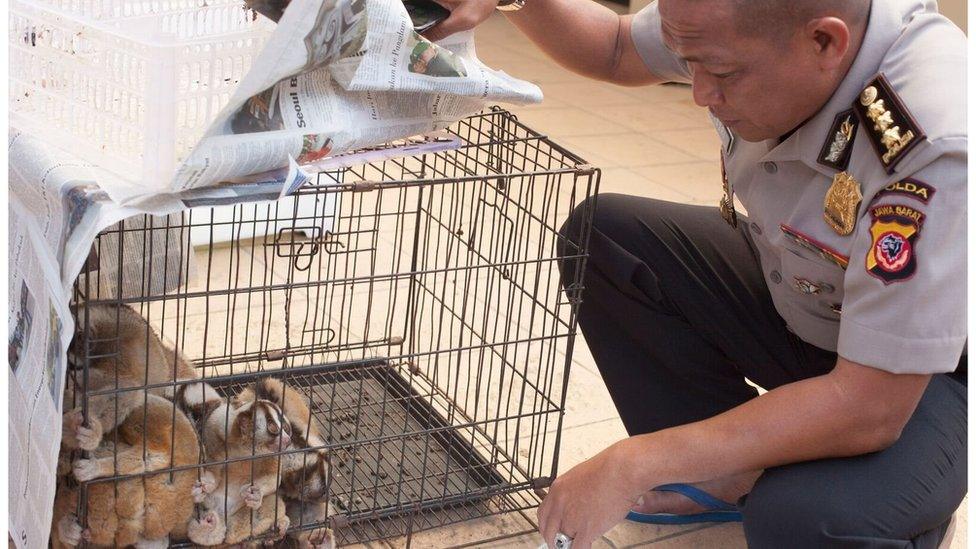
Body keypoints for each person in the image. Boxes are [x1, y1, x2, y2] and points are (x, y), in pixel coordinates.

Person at [423, 0, 968, 547]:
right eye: (690, 63)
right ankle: (728, 473)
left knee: (803, 520)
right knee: (606, 237)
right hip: (813, 298)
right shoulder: (731, 20)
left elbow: (871, 407)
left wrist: (635, 462)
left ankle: (904, 505)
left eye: (723, 73)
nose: (700, 93)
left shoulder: (933, 140)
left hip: (924, 377)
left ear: (824, 43)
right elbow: (615, 47)